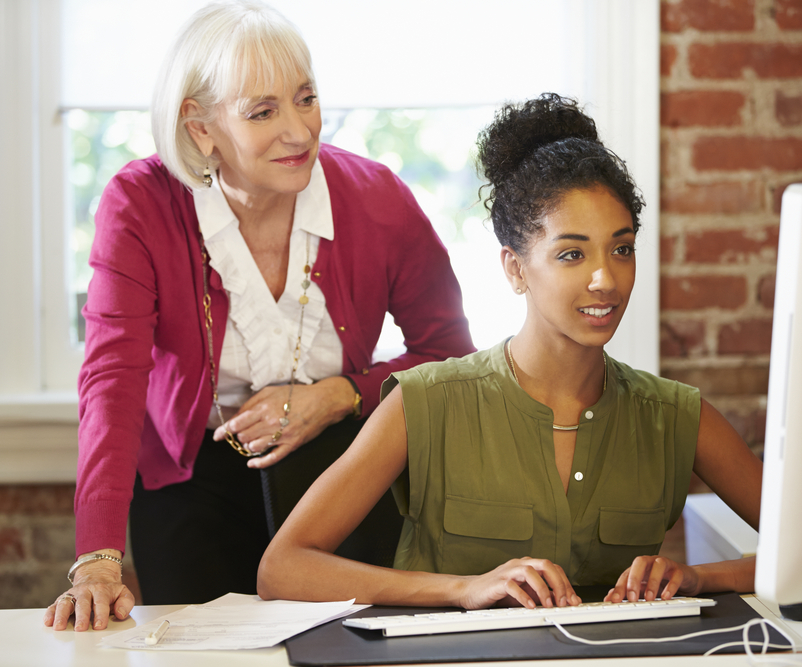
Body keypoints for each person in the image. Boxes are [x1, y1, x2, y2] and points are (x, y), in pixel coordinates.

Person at [43, 0, 473, 632]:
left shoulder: (379, 199)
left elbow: (450, 357)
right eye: (263, 111)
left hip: (341, 473)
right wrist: (98, 560)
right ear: (200, 128)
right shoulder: (139, 204)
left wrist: (339, 395)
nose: (300, 131)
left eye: (306, 98)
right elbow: (112, 381)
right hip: (190, 481)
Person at [257, 93, 763, 610]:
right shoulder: (425, 403)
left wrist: (699, 578)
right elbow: (284, 568)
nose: (605, 279)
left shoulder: (675, 416)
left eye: (622, 248)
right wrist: (463, 588)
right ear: (515, 269)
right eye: (571, 254)